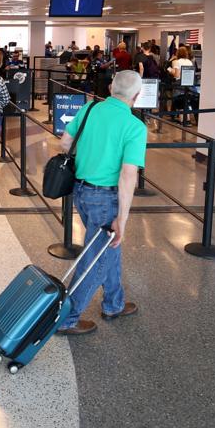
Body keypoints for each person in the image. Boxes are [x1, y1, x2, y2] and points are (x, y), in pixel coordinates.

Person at [56, 71, 146, 336]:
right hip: (105, 199)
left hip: (81, 191)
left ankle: (114, 303)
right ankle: (67, 318)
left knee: (107, 249)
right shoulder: (134, 127)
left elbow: (65, 142)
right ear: (137, 97)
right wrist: (123, 220)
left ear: (110, 87)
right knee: (97, 258)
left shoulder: (89, 108)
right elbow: (128, 174)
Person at [169, 45, 195, 124]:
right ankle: (187, 119)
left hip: (179, 83)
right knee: (186, 101)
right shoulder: (189, 62)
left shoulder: (177, 62)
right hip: (188, 83)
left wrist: (170, 70)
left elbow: (176, 75)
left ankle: (182, 120)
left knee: (179, 101)